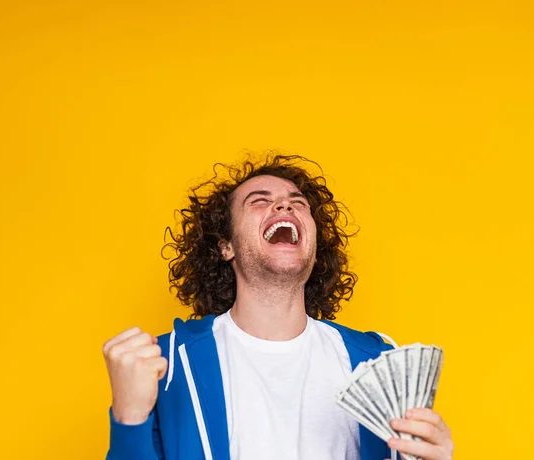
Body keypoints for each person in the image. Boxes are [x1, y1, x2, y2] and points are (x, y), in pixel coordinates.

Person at [102, 154, 454, 460]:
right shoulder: (167, 364)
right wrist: (129, 418)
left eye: (297, 203)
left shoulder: (376, 359)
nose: (284, 206)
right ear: (226, 246)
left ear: (315, 247)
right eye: (259, 201)